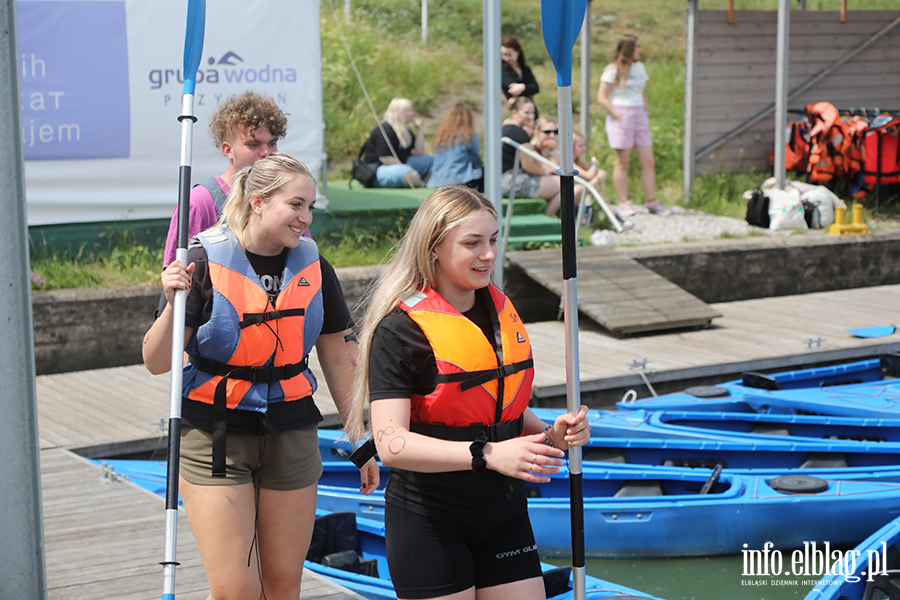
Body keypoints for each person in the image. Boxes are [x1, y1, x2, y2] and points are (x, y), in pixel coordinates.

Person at [143, 153, 379, 600]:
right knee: (236, 591)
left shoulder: (314, 265)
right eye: (295, 205)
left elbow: (339, 361)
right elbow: (156, 361)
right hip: (215, 432)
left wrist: (361, 440)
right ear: (257, 201)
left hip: (291, 432)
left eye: (310, 207)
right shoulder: (203, 261)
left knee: (283, 586)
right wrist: (175, 302)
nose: (305, 218)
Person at [345, 185, 591, 600]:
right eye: (472, 243)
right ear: (435, 246)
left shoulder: (498, 311)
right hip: (430, 518)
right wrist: (490, 455)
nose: (489, 254)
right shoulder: (399, 330)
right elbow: (390, 445)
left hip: (504, 511)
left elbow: (501, 411)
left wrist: (552, 433)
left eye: (493, 240)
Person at [163, 91, 292, 267]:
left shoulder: (288, 197)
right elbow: (176, 275)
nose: (266, 153)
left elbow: (305, 262)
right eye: (253, 144)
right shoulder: (199, 202)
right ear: (228, 150)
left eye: (272, 143)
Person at [596, 34, 671, 217]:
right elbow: (602, 97)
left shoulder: (639, 67)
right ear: (629, 48)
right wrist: (618, 115)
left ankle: (651, 201)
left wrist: (645, 112)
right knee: (622, 162)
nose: (640, 49)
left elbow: (643, 92)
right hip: (621, 115)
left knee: (648, 161)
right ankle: (624, 202)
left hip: (639, 115)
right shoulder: (612, 70)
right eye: (637, 46)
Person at [501, 97, 582, 216]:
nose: (531, 116)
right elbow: (528, 166)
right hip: (512, 181)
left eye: (533, 113)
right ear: (515, 113)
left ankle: (551, 215)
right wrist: (545, 173)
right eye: (526, 113)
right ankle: (548, 216)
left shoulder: (506, 129)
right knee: (565, 184)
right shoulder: (519, 133)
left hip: (503, 180)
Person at [360, 97, 434, 188]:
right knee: (411, 175)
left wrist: (419, 129)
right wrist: (406, 168)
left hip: (401, 164)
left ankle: (423, 180)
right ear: (401, 113)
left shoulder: (405, 131)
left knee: (432, 161)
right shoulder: (385, 130)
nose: (413, 113)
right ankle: (423, 184)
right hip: (378, 169)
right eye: (410, 111)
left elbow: (418, 152)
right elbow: (386, 159)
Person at [428, 103, 484, 192]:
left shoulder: (441, 135)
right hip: (460, 179)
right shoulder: (468, 134)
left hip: (437, 180)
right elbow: (476, 157)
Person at [501, 37, 539, 110]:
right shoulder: (502, 69)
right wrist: (528, 90)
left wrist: (523, 87)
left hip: (530, 108)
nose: (506, 58)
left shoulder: (525, 68)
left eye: (509, 55)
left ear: (517, 52)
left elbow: (536, 88)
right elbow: (512, 89)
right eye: (503, 55)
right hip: (517, 109)